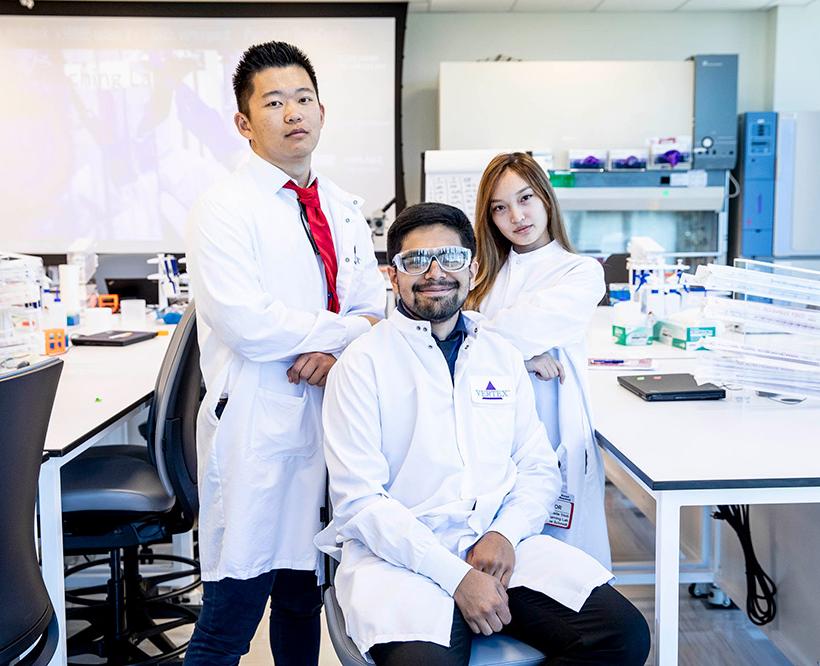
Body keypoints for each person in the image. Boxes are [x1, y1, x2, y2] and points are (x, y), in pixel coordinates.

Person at [318, 203, 650, 666]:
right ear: (392, 277)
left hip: (498, 548)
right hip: (401, 559)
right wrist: (455, 577)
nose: (435, 273)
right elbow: (360, 502)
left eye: (450, 259)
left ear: (472, 269)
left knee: (622, 636)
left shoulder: (500, 354)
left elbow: (536, 466)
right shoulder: (362, 364)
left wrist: (505, 534)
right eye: (415, 262)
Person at [184, 41, 386, 666]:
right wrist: (344, 332)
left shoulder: (344, 209)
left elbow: (374, 308)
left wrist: (338, 347)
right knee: (231, 616)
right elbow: (247, 323)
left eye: (303, 99)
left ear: (322, 111)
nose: (293, 112)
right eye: (274, 102)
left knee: (305, 605)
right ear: (245, 123)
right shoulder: (224, 208)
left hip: (332, 426)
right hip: (259, 429)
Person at [464, 152, 611, 568]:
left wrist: (493, 338)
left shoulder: (580, 272)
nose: (517, 215)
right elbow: (453, 335)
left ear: (546, 198)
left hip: (554, 435)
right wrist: (522, 357)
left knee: (563, 567)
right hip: (490, 435)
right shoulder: (482, 277)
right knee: (495, 556)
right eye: (500, 207)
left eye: (525, 198)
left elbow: (491, 331)